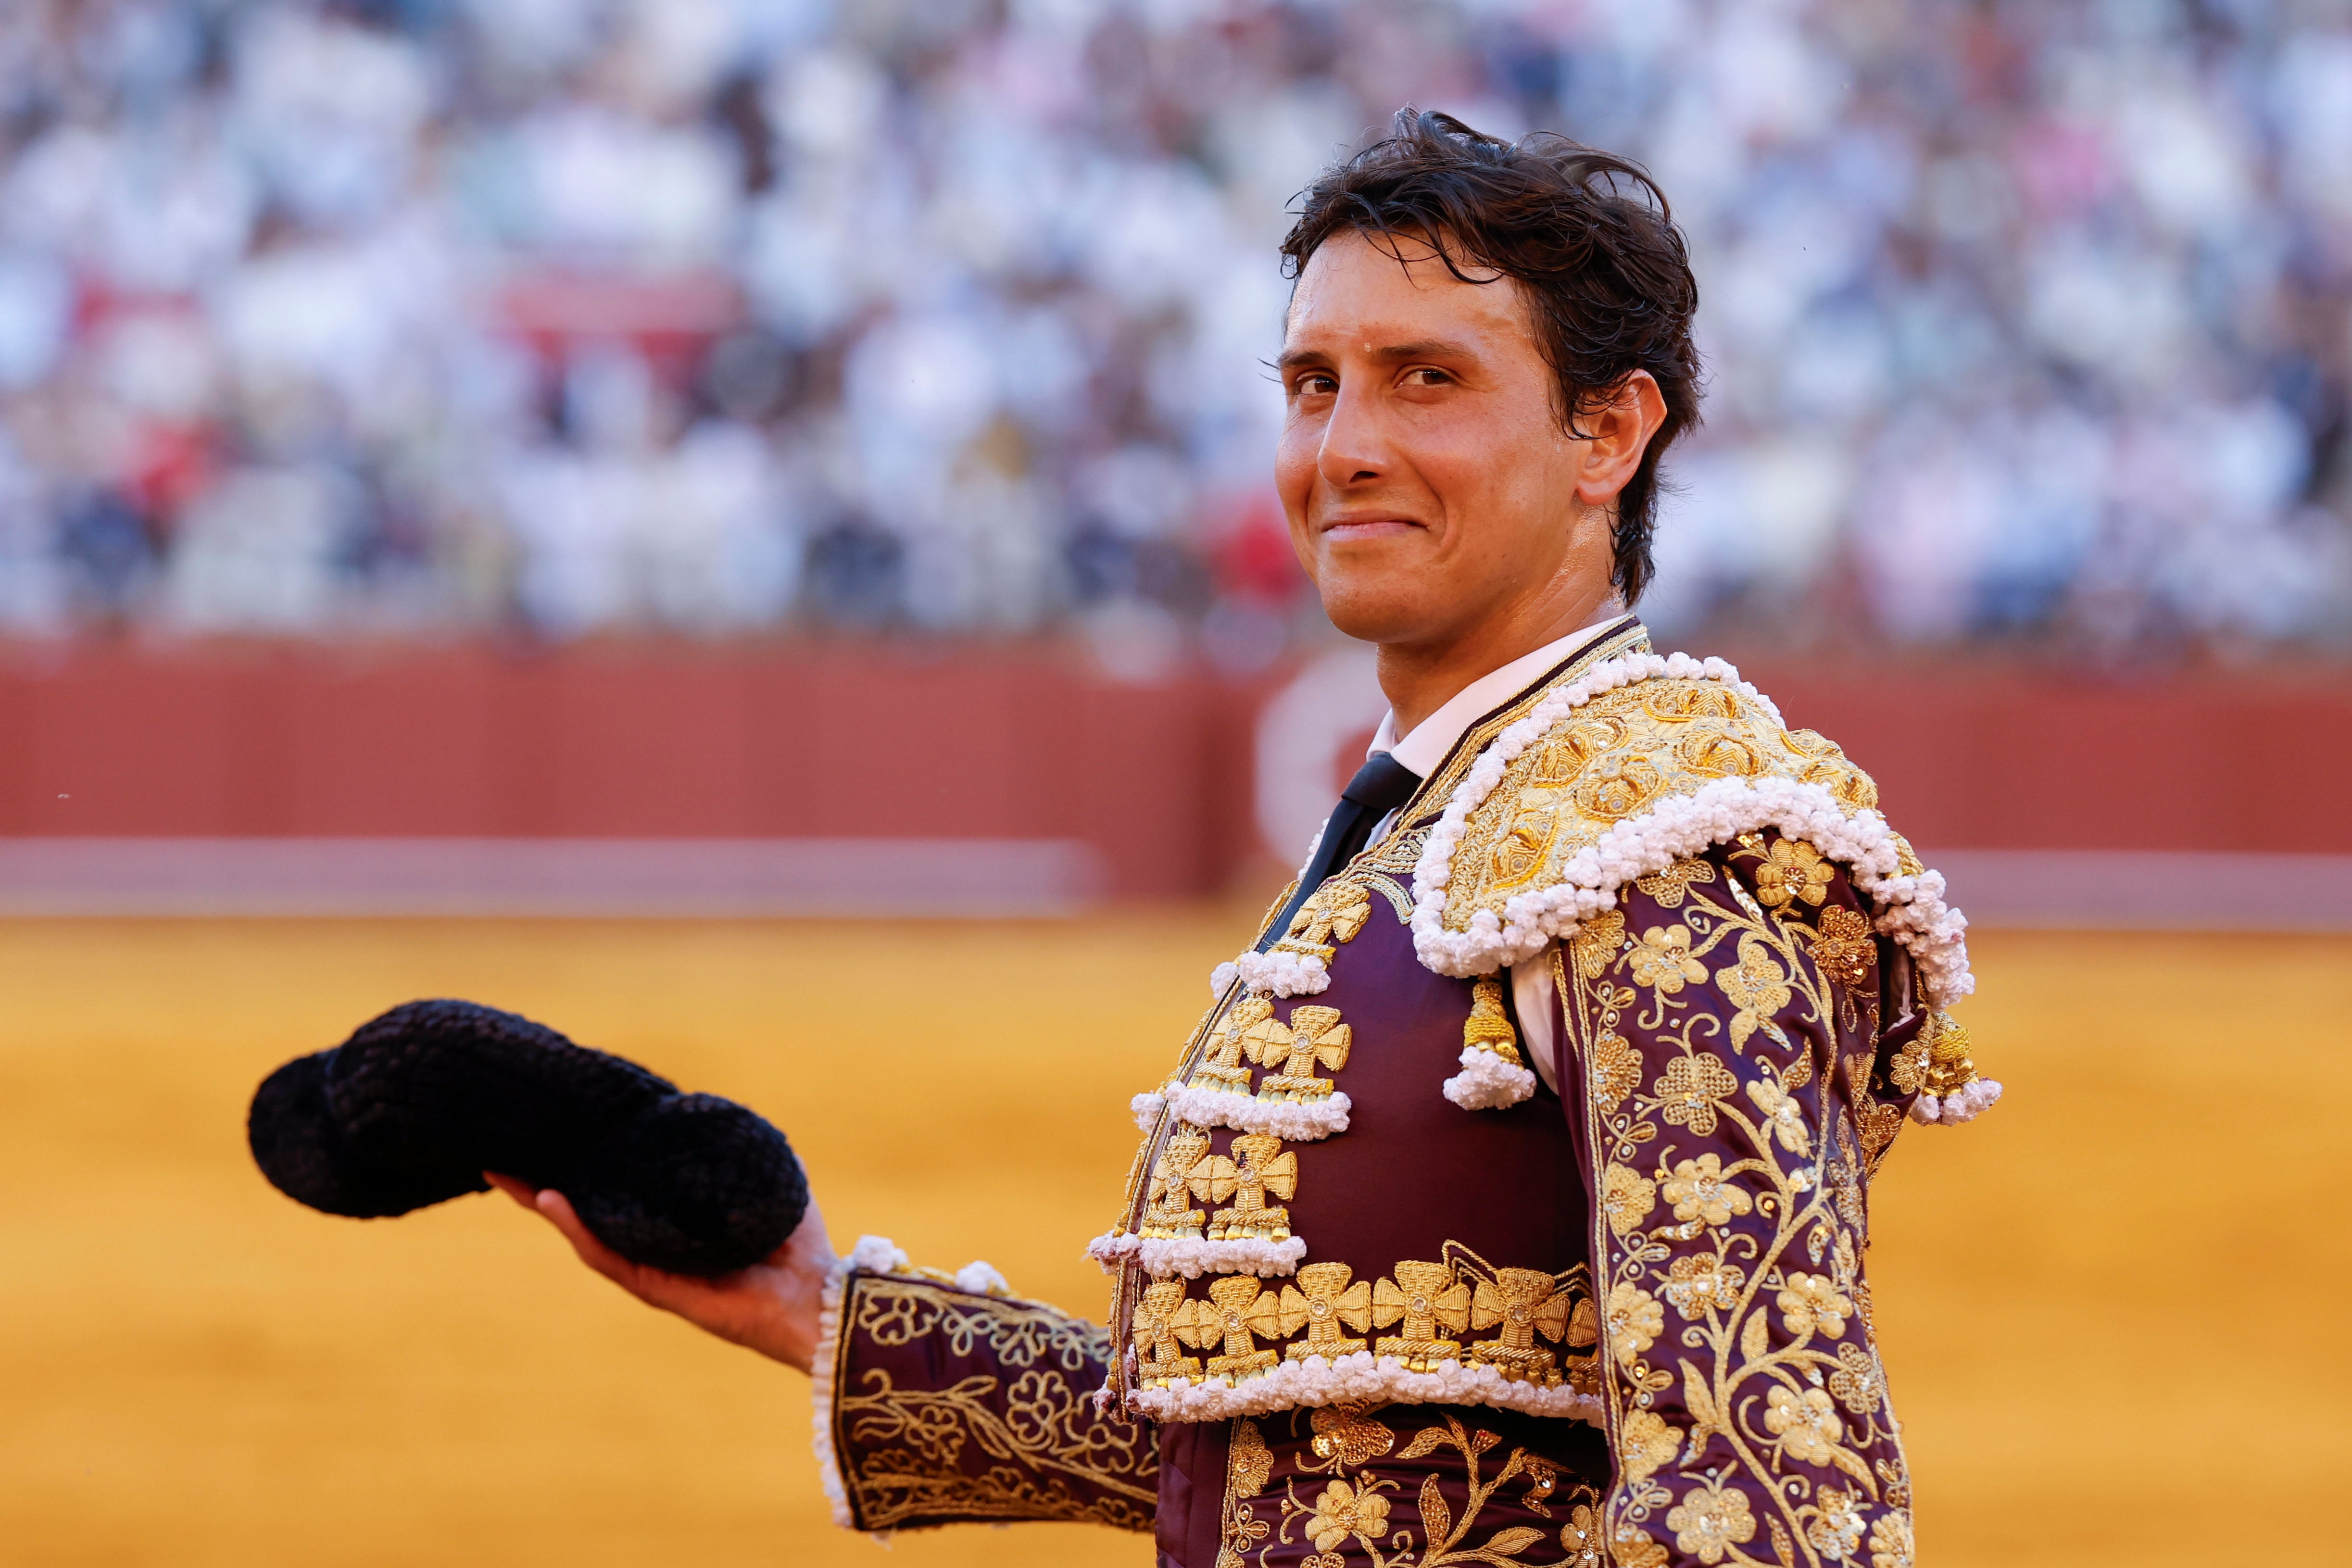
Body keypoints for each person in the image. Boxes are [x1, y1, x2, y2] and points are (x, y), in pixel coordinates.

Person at [490, 110, 1999, 1568]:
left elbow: (1769, 1510)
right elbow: (1333, 1449)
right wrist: (814, 1307)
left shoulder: (1654, 851)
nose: (1342, 446)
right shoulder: (1457, 807)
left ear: (1605, 431)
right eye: (1311, 383)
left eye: (1426, 382)